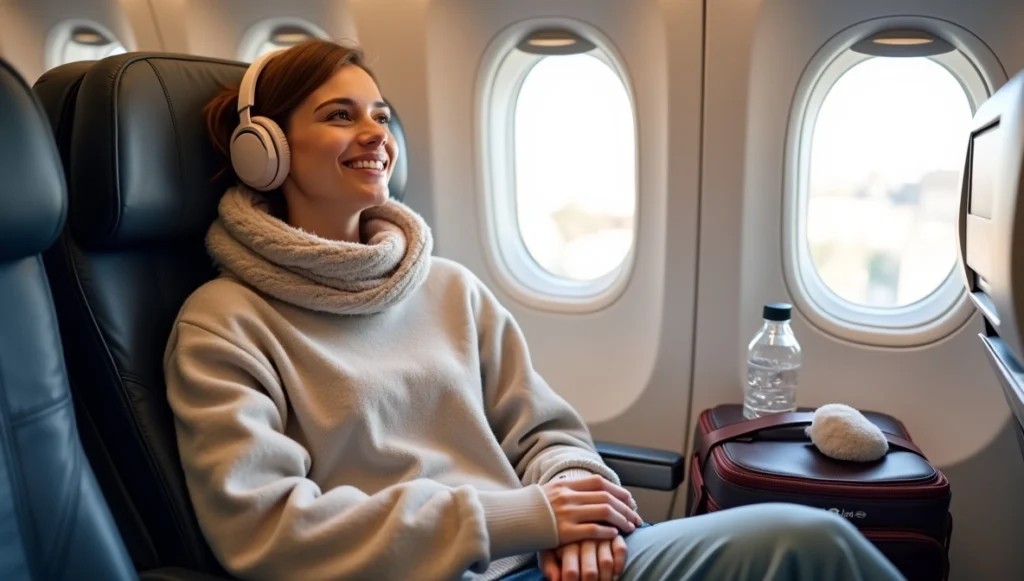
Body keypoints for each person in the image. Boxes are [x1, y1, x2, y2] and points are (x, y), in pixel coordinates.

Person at [163, 39, 907, 581]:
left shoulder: (448, 288)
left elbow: (545, 430)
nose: (375, 136)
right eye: (338, 115)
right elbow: (267, 528)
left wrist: (581, 517)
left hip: (548, 555)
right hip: (432, 570)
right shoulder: (224, 324)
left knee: (807, 540)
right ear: (266, 151)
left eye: (381, 116)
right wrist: (522, 518)